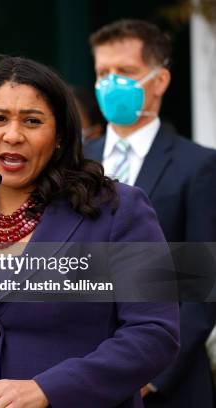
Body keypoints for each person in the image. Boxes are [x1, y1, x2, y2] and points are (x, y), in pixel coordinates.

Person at [0, 56, 180, 408]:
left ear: (58, 137)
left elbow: (154, 334)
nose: (13, 135)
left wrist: (47, 390)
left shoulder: (118, 210)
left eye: (32, 121)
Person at [84, 19, 216, 408]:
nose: (111, 84)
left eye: (125, 73)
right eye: (102, 73)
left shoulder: (198, 166)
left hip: (164, 386)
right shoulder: (73, 162)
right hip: (76, 377)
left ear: (160, 81)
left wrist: (152, 376)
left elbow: (201, 286)